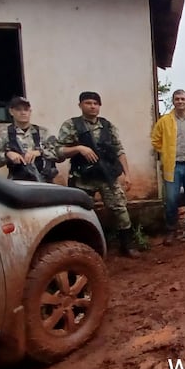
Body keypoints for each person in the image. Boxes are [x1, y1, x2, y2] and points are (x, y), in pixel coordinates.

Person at [57, 91, 141, 257]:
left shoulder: (108, 126)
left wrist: (127, 174)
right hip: (83, 178)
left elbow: (119, 150)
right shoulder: (71, 125)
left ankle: (127, 244)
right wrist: (79, 148)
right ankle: (82, 248)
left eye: (95, 103)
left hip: (107, 176)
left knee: (120, 209)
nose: (92, 106)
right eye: (88, 103)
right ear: (80, 105)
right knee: (79, 213)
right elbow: (58, 152)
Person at [150, 88, 185, 244]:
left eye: (183, 99)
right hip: (173, 166)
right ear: (173, 101)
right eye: (177, 99)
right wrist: (165, 152)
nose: (180, 101)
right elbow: (155, 140)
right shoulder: (165, 120)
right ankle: (171, 230)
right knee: (172, 199)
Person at [0, 96, 60, 182]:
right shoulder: (4, 134)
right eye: (18, 109)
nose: (23, 113)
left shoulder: (43, 132)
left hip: (44, 183)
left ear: (30, 112)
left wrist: (40, 152)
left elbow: (59, 153)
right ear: (11, 112)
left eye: (26, 109)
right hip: (18, 184)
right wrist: (7, 155)